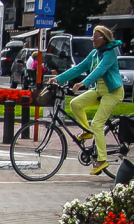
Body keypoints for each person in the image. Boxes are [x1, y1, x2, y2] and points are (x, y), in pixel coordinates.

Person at [53, 25, 125, 176]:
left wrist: (83, 83)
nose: (93, 39)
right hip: (99, 91)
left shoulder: (110, 54)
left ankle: (102, 160)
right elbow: (78, 68)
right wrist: (58, 79)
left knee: (97, 124)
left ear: (104, 39)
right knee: (75, 103)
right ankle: (87, 132)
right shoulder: (94, 54)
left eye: (96, 37)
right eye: (92, 36)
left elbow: (100, 71)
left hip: (112, 92)